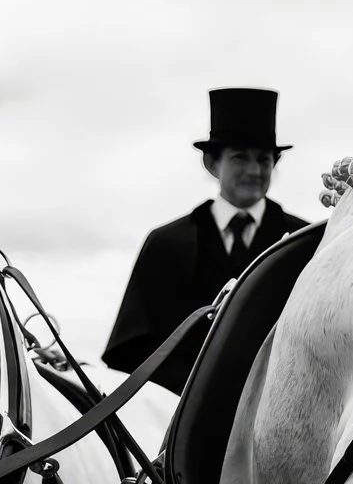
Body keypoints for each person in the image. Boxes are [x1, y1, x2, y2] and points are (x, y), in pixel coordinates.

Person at [100, 87, 310, 373]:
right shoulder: (165, 245)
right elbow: (131, 352)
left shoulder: (304, 243)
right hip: (179, 408)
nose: (254, 170)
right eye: (240, 157)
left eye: (263, 159)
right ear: (212, 163)